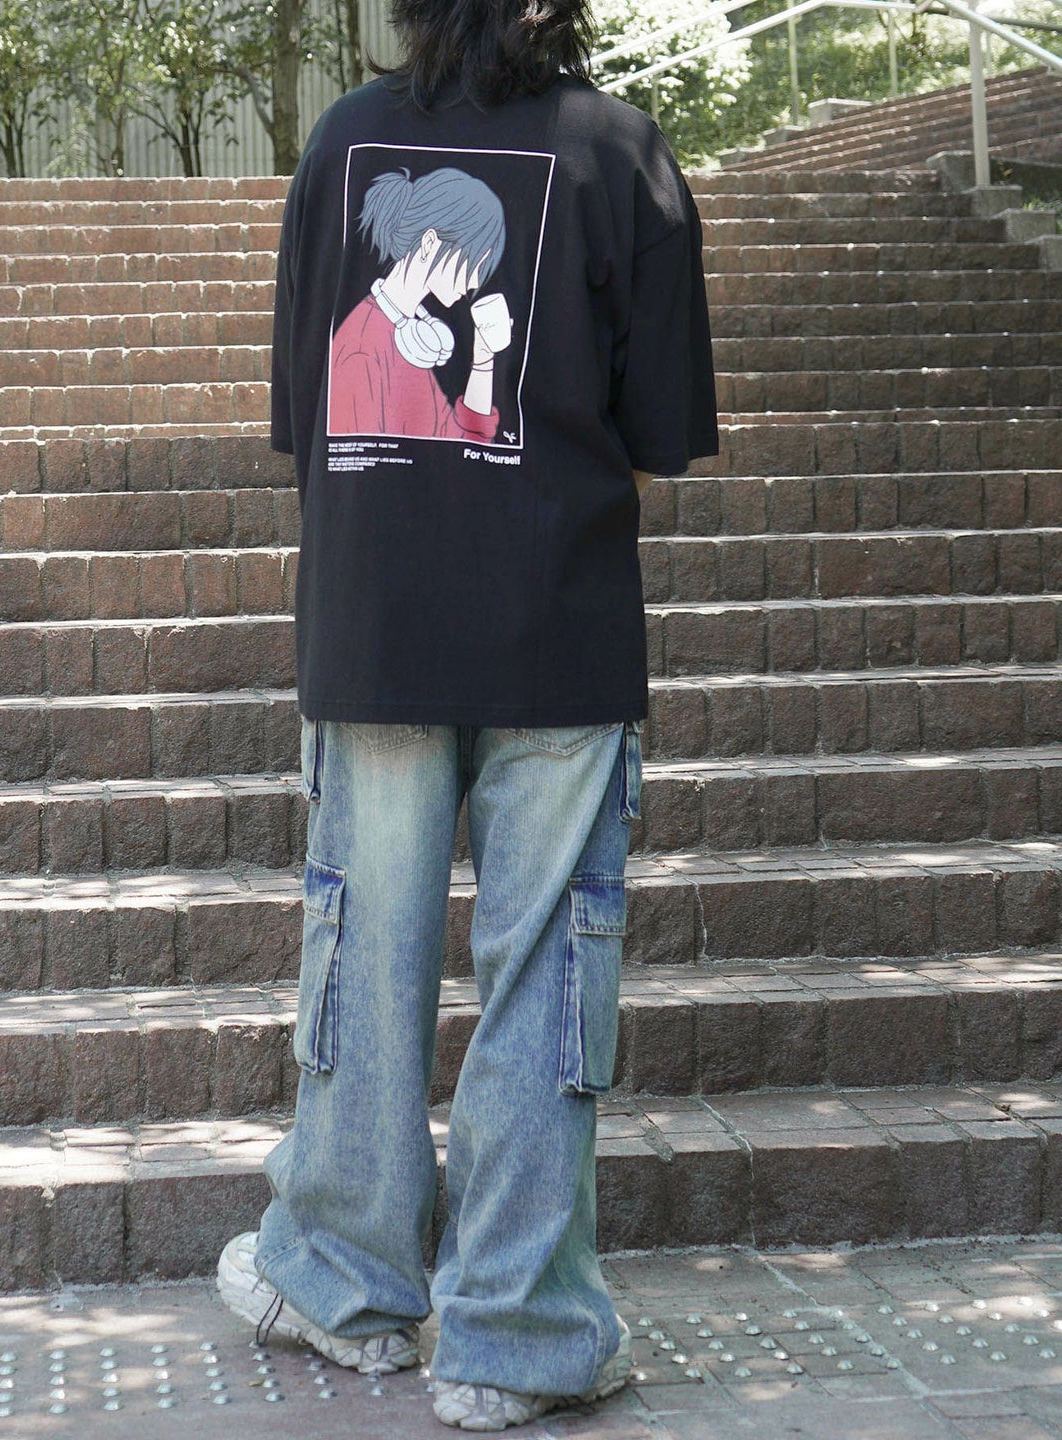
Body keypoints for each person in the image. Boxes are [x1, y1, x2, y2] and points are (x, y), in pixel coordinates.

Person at [216, 0, 719, 1429]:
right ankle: (517, 1330)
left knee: (366, 947)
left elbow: (304, 423)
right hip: (558, 628)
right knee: (548, 963)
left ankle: (344, 1280)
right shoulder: (621, 154)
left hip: (376, 623)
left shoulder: (340, 145)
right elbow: (658, 433)